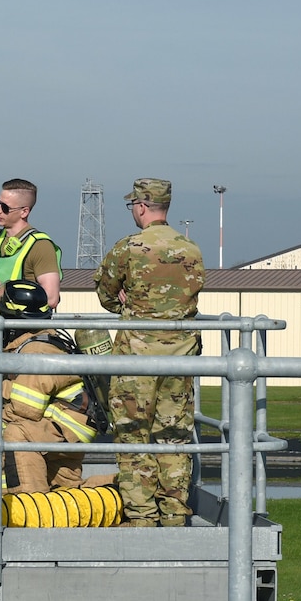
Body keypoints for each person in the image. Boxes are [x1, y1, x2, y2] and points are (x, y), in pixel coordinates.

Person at [95, 178, 205, 527]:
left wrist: (128, 301)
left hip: (136, 360)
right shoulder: (191, 249)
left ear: (141, 206)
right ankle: (174, 515)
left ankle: (142, 517)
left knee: (132, 435)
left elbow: (106, 294)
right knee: (173, 436)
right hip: (180, 358)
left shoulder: (129, 247)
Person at [0, 278, 96, 495]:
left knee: (16, 433)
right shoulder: (39, 341)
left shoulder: (36, 351)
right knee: (66, 490)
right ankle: (115, 492)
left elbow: (25, 408)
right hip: (66, 424)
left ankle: (29, 506)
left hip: (64, 426)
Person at [0, 177, 61, 317]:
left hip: (24, 333)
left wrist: (4, 296)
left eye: (5, 207)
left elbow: (51, 298)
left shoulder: (40, 245)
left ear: (24, 212)